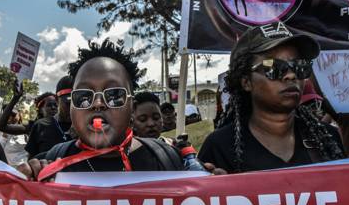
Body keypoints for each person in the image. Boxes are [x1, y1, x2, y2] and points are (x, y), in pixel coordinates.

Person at [18, 41, 226, 180]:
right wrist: (25, 186)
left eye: (114, 95)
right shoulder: (54, 163)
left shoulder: (167, 159)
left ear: (131, 108)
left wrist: (215, 195)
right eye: (84, 97)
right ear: (72, 108)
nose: (98, 104)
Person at [199, 22, 345, 173]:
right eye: (273, 67)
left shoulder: (328, 139)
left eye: (300, 65)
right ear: (246, 82)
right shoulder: (219, 147)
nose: (291, 75)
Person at [24, 76, 73, 158]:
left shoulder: (86, 127)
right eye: (68, 103)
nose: (72, 108)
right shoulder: (40, 125)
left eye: (77, 103)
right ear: (57, 100)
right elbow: (31, 161)